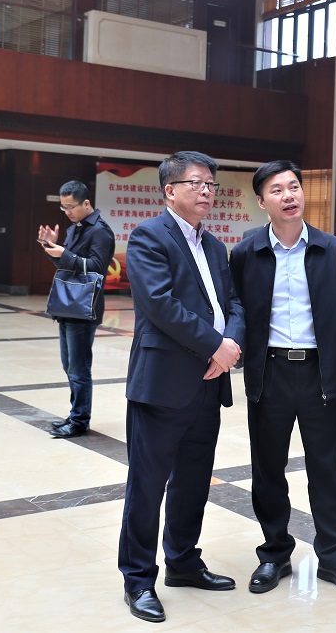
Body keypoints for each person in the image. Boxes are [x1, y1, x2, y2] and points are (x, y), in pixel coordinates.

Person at [229, 160, 336, 597]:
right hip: (269, 372)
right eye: (277, 190)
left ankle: (335, 558)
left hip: (318, 372)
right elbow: (240, 309)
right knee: (268, 468)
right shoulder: (247, 252)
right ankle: (274, 554)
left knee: (327, 468)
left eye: (294, 187)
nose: (289, 195)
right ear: (262, 202)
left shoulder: (332, 249)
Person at [117, 151, 244, 623]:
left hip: (209, 382)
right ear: (170, 190)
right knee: (147, 486)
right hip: (163, 384)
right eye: (197, 183)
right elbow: (159, 304)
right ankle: (137, 579)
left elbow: (233, 303)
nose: (207, 190)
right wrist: (215, 346)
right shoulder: (148, 236)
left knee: (193, 481)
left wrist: (231, 344)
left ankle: (184, 562)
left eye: (211, 183)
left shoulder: (214, 245)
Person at [37, 180, 115, 438]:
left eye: (71, 206)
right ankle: (75, 415)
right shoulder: (75, 229)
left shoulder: (100, 231)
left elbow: (97, 268)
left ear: (86, 203)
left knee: (78, 368)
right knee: (69, 365)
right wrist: (50, 248)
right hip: (68, 306)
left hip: (83, 308)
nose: (67, 212)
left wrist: (64, 253)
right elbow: (66, 266)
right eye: (63, 207)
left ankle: (80, 420)